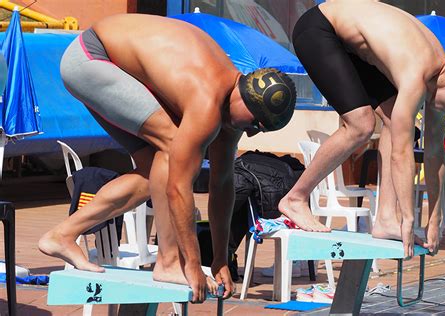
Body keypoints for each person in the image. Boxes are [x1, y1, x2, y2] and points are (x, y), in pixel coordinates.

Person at [38, 13, 296, 303]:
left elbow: (222, 185)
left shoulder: (233, 107)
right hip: (92, 58)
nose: (250, 134)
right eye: (253, 125)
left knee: (154, 172)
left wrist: (221, 258)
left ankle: (62, 234)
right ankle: (168, 261)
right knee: (172, 150)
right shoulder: (206, 100)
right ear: (245, 98)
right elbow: (178, 188)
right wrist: (191, 263)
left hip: (108, 64)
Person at [278, 1, 445, 259]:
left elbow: (435, 153)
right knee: (361, 124)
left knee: (395, 119)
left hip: (351, 44)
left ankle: (385, 219)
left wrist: (435, 219)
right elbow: (400, 155)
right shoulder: (416, 76)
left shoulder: (441, 74)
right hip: (319, 29)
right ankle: (295, 198)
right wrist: (409, 218)